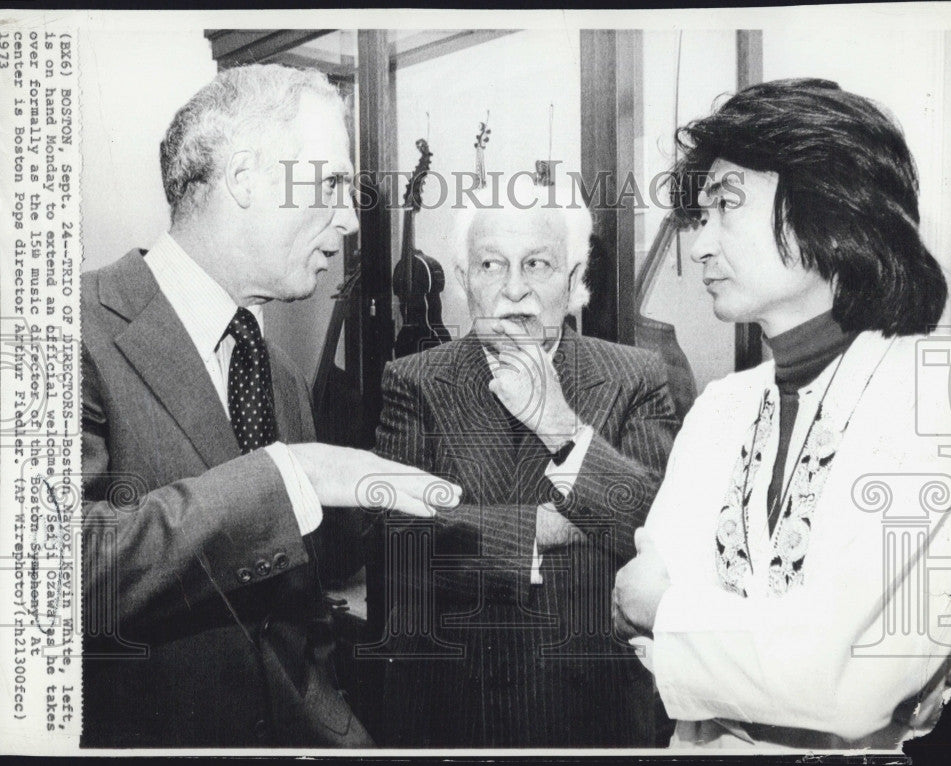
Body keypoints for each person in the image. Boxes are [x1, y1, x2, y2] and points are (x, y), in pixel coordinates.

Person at [80, 64, 460, 748]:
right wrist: (293, 477)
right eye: (333, 184)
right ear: (246, 179)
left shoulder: (279, 378)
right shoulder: (64, 327)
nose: (349, 219)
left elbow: (297, 638)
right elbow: (44, 577)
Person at [613, 78, 951, 750]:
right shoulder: (722, 408)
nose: (700, 247)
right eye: (700, 216)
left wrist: (671, 611)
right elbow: (637, 633)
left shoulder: (936, 398)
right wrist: (758, 640)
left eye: (726, 208)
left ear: (829, 209)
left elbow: (849, 684)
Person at [369, 176, 694, 747]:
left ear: (572, 283)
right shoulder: (415, 380)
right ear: (465, 281)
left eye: (537, 265)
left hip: (598, 715)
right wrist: (534, 531)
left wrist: (561, 428)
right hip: (456, 710)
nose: (514, 289)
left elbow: (655, 528)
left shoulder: (635, 376)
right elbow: (393, 535)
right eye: (492, 266)